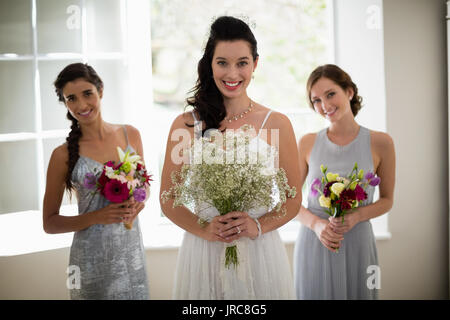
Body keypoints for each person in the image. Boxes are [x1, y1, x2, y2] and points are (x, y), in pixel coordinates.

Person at [159, 16, 301, 299]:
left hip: (259, 250)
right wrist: (205, 228)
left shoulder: (277, 123)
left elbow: (293, 199)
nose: (232, 73)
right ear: (210, 63)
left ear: (255, 64)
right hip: (203, 251)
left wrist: (257, 225)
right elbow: (167, 199)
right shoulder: (186, 125)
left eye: (242, 63)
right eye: (222, 62)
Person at [42, 63, 150, 299]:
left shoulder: (129, 134)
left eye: (87, 94)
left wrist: (139, 202)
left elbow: (144, 185)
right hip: (89, 259)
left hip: (130, 253)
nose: (81, 105)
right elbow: (49, 224)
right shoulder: (61, 155)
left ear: (100, 90)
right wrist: (96, 217)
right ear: (65, 103)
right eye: (71, 98)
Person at [293, 64, 395, 299]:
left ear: (349, 91)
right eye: (316, 100)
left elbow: (388, 200)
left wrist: (356, 216)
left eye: (330, 94)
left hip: (358, 240)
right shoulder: (307, 143)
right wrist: (317, 226)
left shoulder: (382, 142)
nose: (325, 105)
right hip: (315, 241)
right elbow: (291, 202)